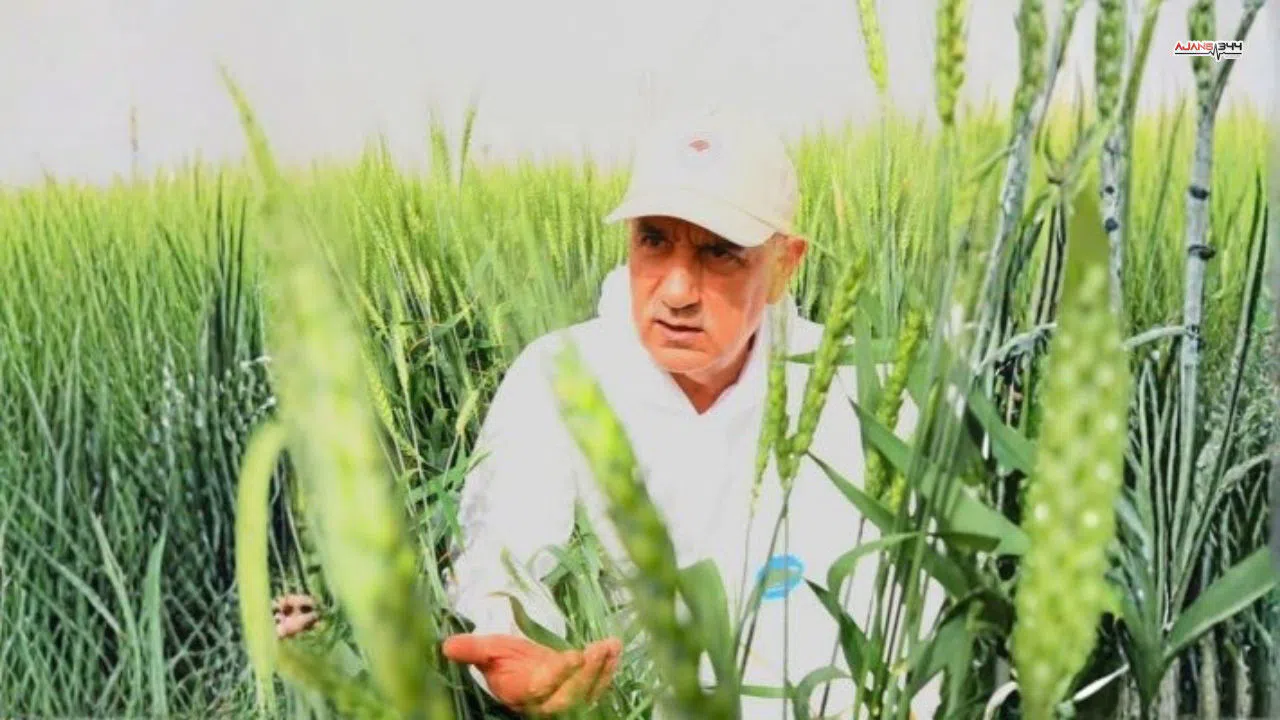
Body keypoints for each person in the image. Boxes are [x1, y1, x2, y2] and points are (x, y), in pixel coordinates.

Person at [274, 107, 941, 718]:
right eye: (654, 241)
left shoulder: (861, 391)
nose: (677, 290)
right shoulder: (560, 376)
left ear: (783, 264)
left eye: (718, 252)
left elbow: (920, 605)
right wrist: (520, 654)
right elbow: (500, 558)